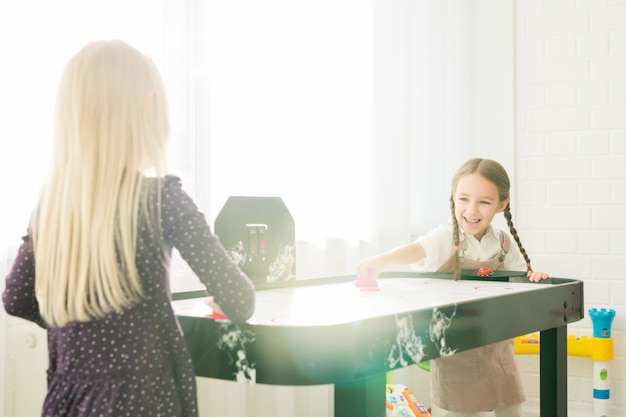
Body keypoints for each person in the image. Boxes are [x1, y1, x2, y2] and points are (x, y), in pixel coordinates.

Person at [3, 40, 256, 417]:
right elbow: (240, 300)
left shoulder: (51, 207)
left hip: (67, 403)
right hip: (144, 401)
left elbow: (16, 298)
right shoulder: (162, 201)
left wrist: (79, 320)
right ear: (149, 104)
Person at [355, 158, 549, 417]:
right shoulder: (446, 235)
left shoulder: (502, 243)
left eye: (484, 201)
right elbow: (417, 250)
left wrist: (535, 277)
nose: (472, 210)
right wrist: (381, 260)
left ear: (502, 204)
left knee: (512, 406)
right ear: (453, 198)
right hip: (456, 344)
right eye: (464, 199)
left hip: (496, 344)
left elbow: (520, 279)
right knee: (463, 411)